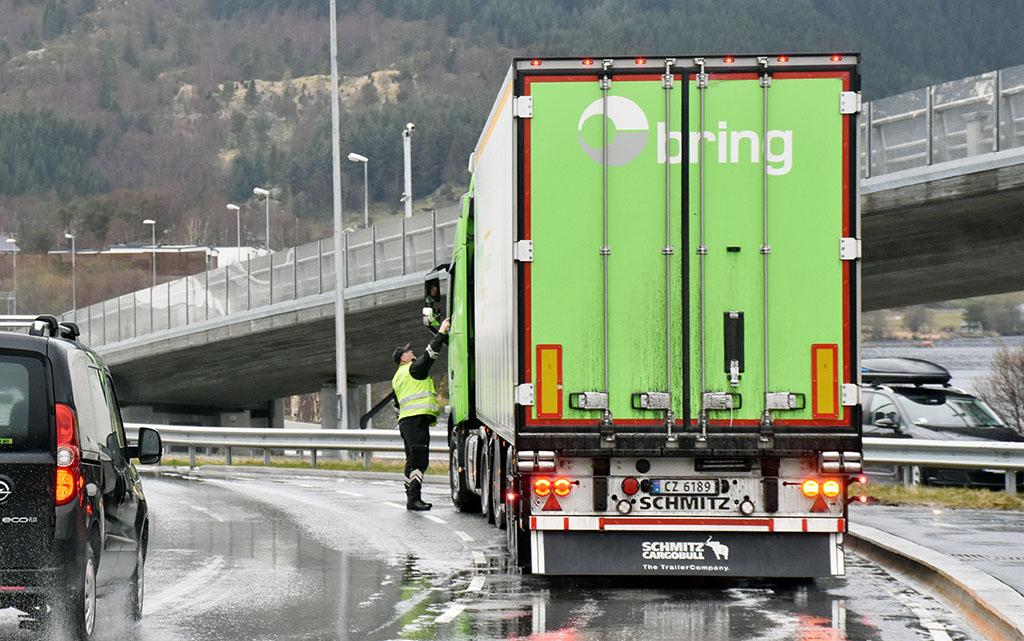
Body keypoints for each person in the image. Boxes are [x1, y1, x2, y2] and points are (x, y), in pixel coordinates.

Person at [391, 318, 450, 511]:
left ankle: (410, 495)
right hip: (416, 422)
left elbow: (397, 405)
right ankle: (414, 499)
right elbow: (430, 354)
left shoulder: (398, 377)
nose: (411, 352)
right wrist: (441, 332)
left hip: (406, 423)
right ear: (403, 358)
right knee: (419, 461)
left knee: (411, 459)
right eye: (408, 351)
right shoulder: (413, 370)